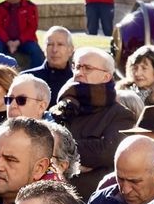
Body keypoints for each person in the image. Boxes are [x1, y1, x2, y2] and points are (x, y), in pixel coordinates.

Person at [50, 47, 136, 195]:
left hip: (90, 197)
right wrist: (78, 160)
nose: (79, 72)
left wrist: (60, 155)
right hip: (53, 193)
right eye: (77, 67)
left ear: (106, 76)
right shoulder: (62, 108)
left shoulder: (120, 115)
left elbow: (107, 152)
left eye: (87, 68)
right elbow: (42, 146)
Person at [0, 0, 43, 67]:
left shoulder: (30, 7)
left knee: (36, 51)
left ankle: (38, 75)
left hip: (25, 40)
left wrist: (18, 41)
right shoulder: (2, 6)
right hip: (4, 40)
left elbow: (32, 27)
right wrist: (8, 41)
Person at [27, 26, 76, 101]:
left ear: (71, 50)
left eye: (60, 44)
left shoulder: (76, 80)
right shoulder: (28, 79)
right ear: (44, 49)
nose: (54, 50)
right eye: (50, 44)